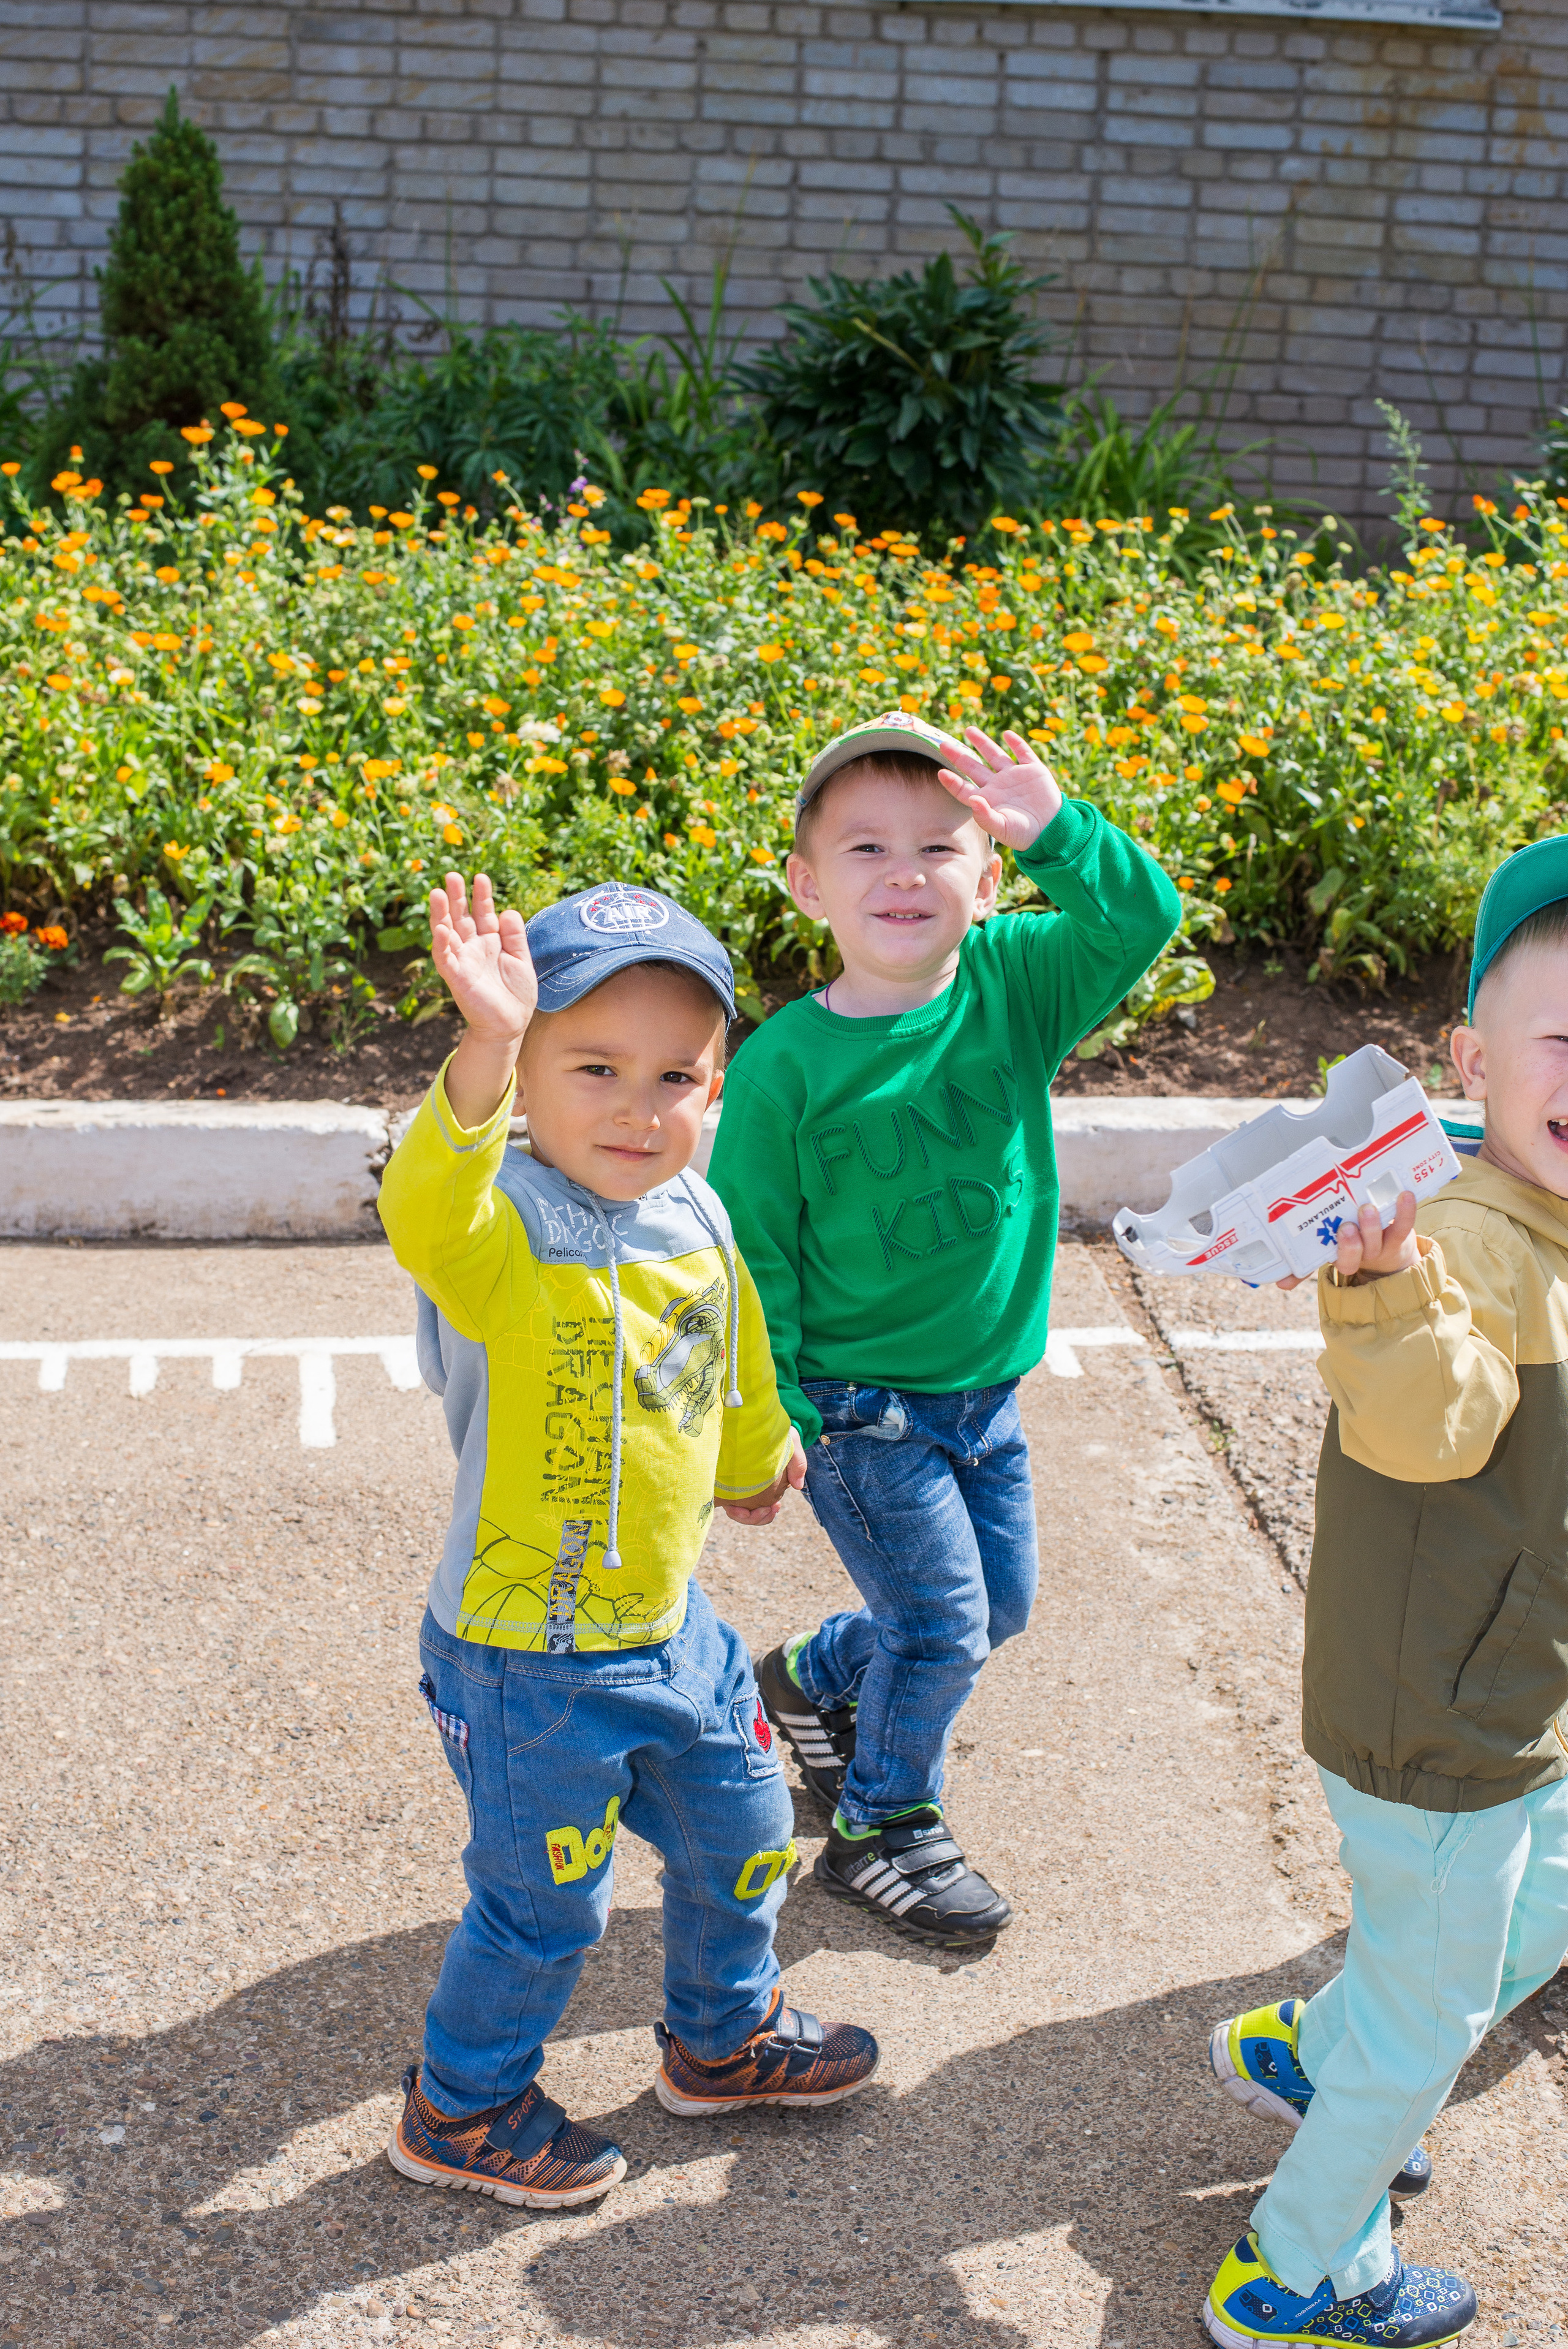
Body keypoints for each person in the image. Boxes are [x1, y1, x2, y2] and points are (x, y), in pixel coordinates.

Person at [377, 871, 880, 2212]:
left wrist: (747, 1450)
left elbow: (732, 1343)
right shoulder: (498, 1232)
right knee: (546, 1912)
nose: (638, 1107)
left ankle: (720, 2041)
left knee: (745, 1832)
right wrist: (480, 1048)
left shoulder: (694, 1213)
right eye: (590, 1066)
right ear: (528, 1081)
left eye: (678, 1076)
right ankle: (461, 2105)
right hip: (525, 1656)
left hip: (669, 1627)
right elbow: (424, 1208)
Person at [706, 711, 1182, 1950]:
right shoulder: (783, 1069)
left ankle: (814, 1678)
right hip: (859, 1407)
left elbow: (1140, 919)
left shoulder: (1013, 985)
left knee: (994, 1613)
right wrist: (771, 1421)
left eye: (939, 847)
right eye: (864, 849)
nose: (903, 872)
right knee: (941, 1629)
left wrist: (1061, 828)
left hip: (983, 1396)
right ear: (807, 885)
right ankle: (881, 1825)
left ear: (987, 878)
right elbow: (752, 1260)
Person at [1202, 835, 1568, 2345]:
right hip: (1438, 1714)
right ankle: (1296, 2272)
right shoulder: (1465, 1246)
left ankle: (1319, 2046)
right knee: (1434, 2012)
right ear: (1473, 1060)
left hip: (1514, 1688)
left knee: (1529, 1913)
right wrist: (1381, 1290)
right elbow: (1424, 1425)